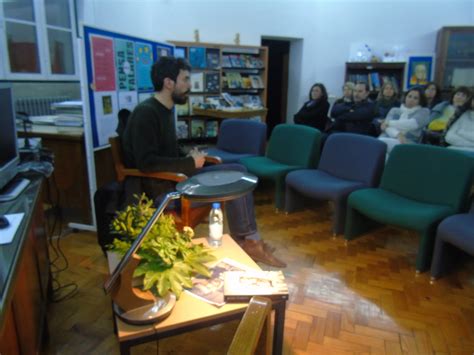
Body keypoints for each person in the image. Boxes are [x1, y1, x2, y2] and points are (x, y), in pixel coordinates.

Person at [121, 56, 285, 268]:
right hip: (162, 191)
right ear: (168, 83)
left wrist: (190, 155)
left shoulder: (164, 111)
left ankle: (249, 240)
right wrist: (190, 162)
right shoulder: (146, 114)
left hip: (178, 180)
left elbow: (167, 151)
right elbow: (147, 163)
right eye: (185, 80)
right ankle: (250, 242)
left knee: (239, 171)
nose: (189, 86)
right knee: (235, 182)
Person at [378, 86, 430, 154]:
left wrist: (389, 122)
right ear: (405, 97)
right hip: (389, 137)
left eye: (415, 98)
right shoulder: (395, 110)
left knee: (380, 144)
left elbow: (412, 124)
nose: (411, 99)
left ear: (420, 101)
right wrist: (398, 134)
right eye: (409, 96)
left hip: (407, 141)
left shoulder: (424, 111)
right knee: (380, 149)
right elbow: (385, 127)